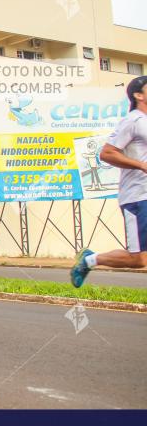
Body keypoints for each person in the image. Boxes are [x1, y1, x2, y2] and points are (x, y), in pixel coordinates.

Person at [71, 75, 147, 286]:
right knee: (138, 259)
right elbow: (107, 153)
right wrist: (141, 165)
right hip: (139, 197)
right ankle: (88, 260)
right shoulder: (133, 120)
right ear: (139, 95)